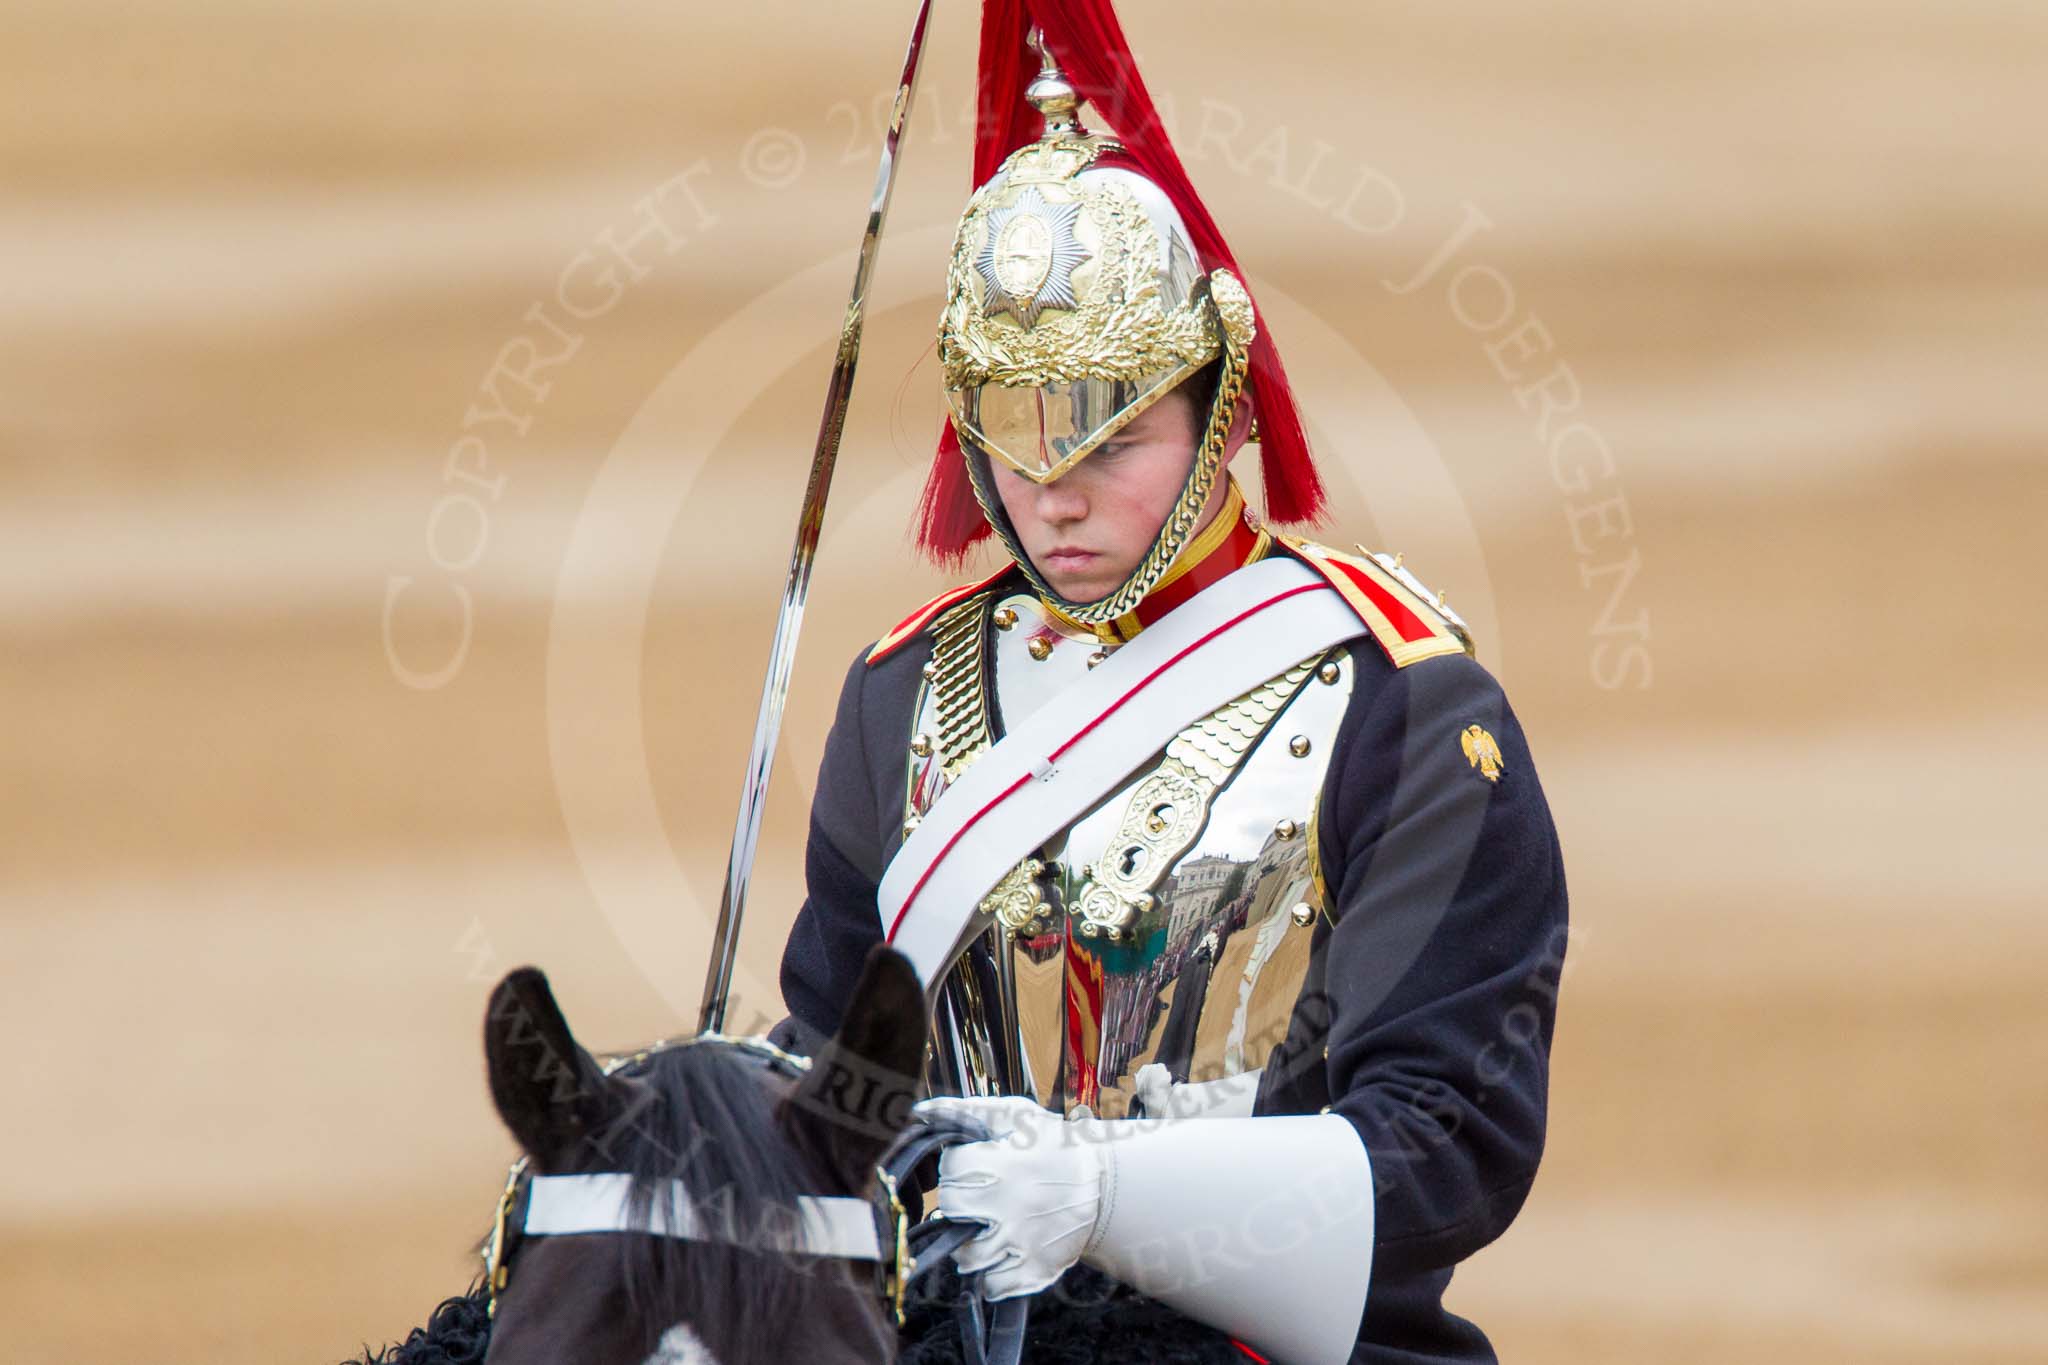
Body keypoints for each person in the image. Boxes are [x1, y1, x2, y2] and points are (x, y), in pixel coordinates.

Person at [775, 6, 1567, 1361]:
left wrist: (1105, 1201)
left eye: (1112, 437)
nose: (1054, 497)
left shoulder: (1405, 705)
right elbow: (828, 1079)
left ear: (1222, 407)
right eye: (1013, 443)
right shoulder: (900, 691)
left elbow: (1450, 1139)